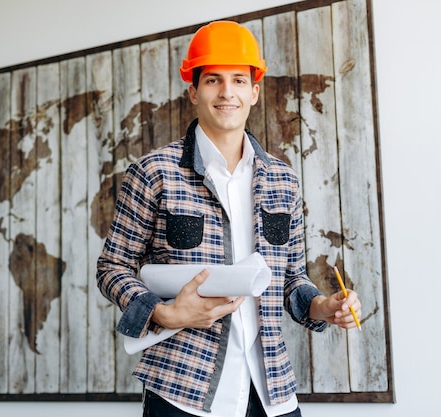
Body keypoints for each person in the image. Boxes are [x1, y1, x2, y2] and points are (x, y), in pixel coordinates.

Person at [96, 20, 362, 417]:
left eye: (239, 80)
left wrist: (322, 306)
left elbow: (290, 278)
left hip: (270, 390)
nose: (227, 92)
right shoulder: (154, 172)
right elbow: (112, 267)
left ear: (254, 92)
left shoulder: (283, 179)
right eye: (213, 80)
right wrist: (163, 313)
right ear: (193, 91)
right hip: (183, 390)